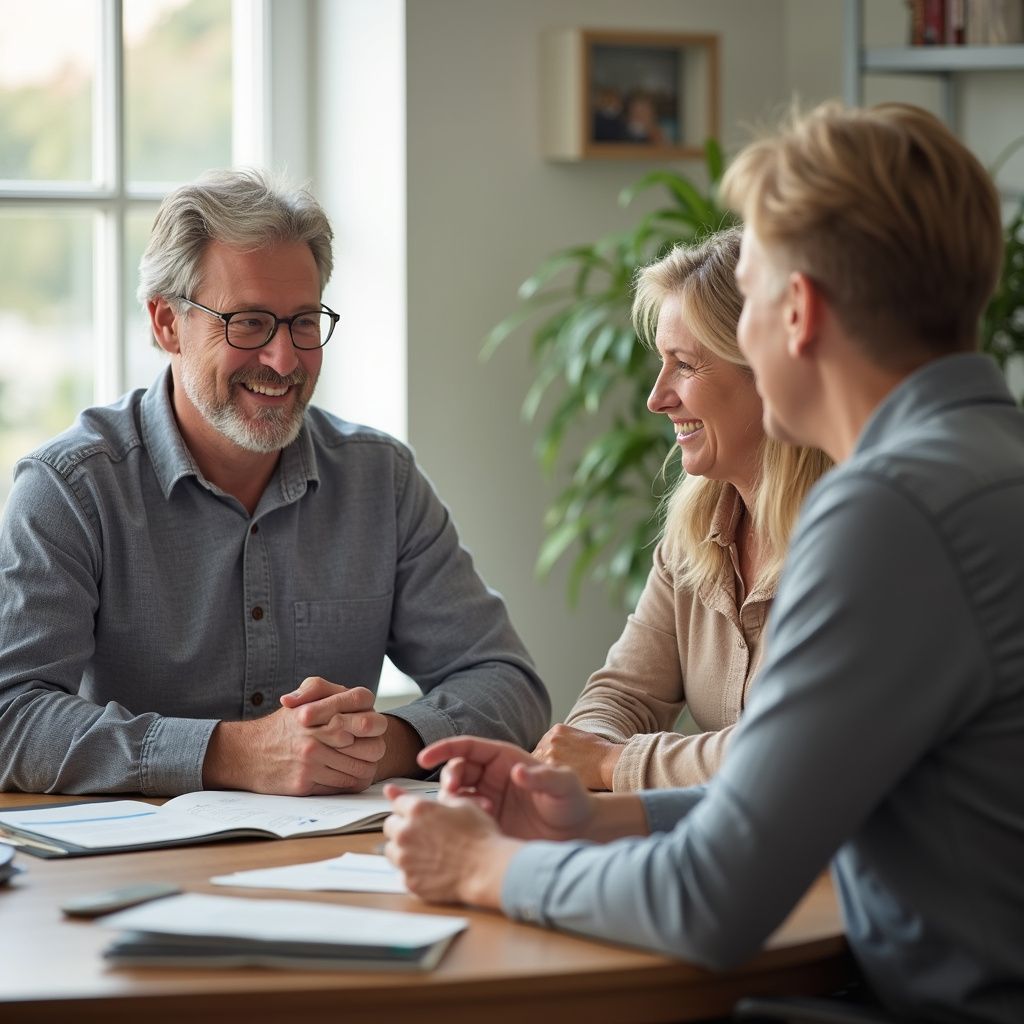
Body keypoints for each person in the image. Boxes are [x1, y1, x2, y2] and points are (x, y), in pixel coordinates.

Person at [383, 101, 1024, 1024]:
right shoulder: (983, 465)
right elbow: (813, 800)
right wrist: (594, 818)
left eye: (753, 297)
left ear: (797, 314)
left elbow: (710, 902)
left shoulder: (889, 512)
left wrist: (485, 866)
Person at [0, 168, 549, 796]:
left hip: (335, 864)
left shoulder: (381, 480)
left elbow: (509, 683)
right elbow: (10, 716)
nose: (284, 360)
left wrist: (375, 746)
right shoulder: (71, 490)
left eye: (304, 322)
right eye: (249, 323)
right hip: (136, 874)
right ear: (166, 324)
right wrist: (233, 753)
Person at [532, 228, 831, 791]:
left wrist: (608, 764)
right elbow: (623, 693)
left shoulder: (853, 531)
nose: (657, 397)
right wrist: (578, 753)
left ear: (769, 373)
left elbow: (794, 747)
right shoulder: (698, 528)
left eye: (684, 365)